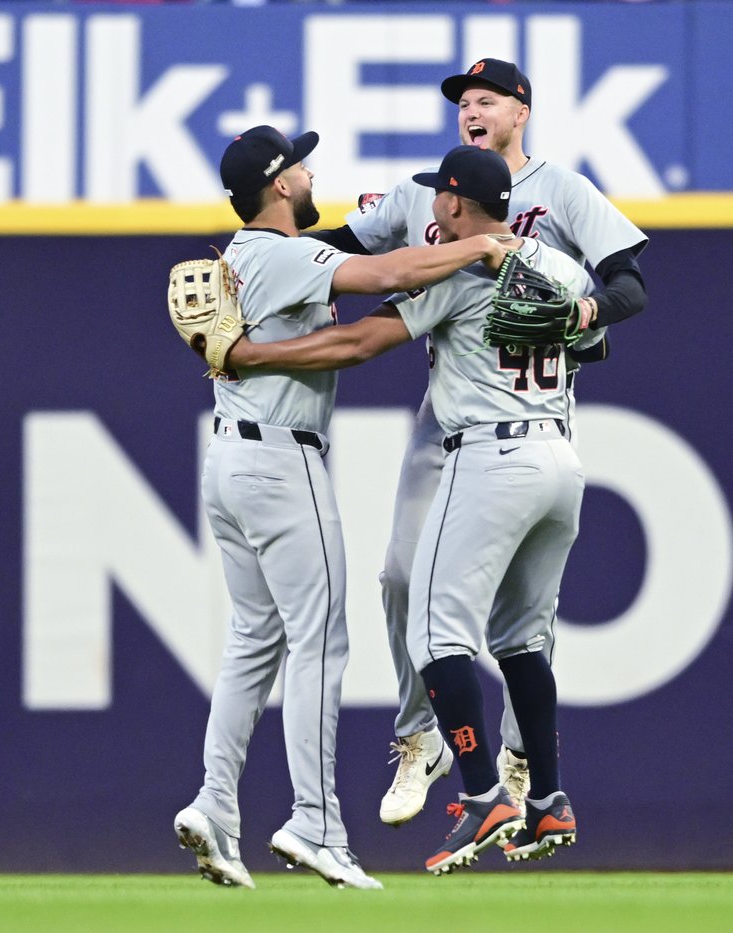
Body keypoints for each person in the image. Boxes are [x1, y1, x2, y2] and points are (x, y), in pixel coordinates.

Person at [228, 144, 598, 873]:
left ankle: (486, 794)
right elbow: (596, 335)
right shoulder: (560, 265)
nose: (430, 207)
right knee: (523, 639)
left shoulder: (459, 263)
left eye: (439, 197)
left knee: (433, 635)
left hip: (491, 453)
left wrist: (250, 355)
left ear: (456, 204)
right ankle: (549, 800)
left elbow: (363, 340)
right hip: (561, 454)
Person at [172, 125, 515, 891]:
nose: (309, 169)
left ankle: (214, 803)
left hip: (227, 455)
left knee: (252, 642)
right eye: (298, 164)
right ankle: (315, 821)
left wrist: (254, 354)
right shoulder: (289, 252)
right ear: (280, 185)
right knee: (319, 644)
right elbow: (385, 274)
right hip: (280, 461)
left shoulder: (240, 258)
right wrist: (474, 249)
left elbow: (342, 342)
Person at [308, 58, 649, 826]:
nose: (470, 110)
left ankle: (511, 768)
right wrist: (269, 237)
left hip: (528, 410)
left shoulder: (558, 194)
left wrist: (586, 318)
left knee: (504, 617)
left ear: (520, 112)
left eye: (486, 99)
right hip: (451, 409)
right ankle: (419, 739)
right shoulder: (426, 193)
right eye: (462, 101)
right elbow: (338, 245)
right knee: (402, 576)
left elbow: (629, 283)